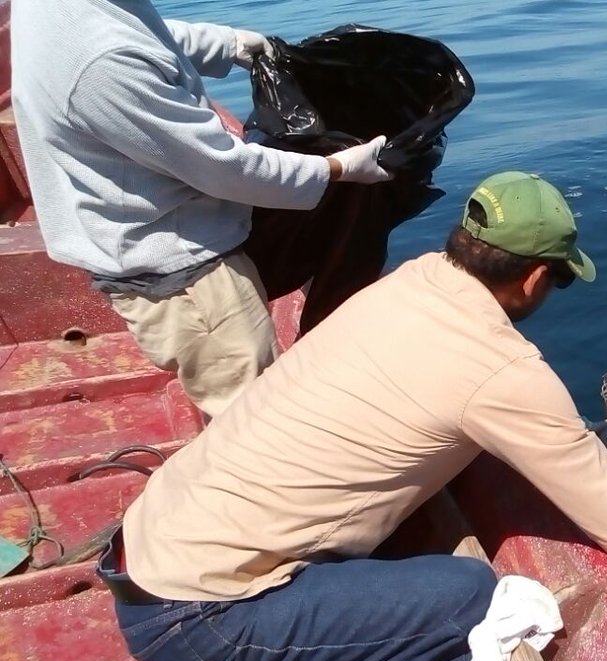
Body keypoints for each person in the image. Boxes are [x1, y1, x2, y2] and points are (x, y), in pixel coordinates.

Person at [97, 171, 607, 661]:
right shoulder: (502, 370)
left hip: (146, 551)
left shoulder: (410, 283)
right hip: (200, 620)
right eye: (561, 281)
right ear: (538, 279)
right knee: (470, 593)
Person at [10, 0, 394, 417]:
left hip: (147, 237)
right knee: (253, 419)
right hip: (183, 277)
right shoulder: (102, 64)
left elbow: (136, 35)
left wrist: (228, 44)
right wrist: (336, 168)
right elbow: (223, 168)